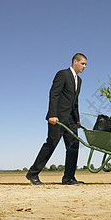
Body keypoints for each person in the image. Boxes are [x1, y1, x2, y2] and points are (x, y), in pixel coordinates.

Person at [26, 53, 87, 185]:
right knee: (51, 144)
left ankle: (68, 178)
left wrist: (77, 119)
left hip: (70, 119)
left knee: (74, 146)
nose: (84, 66)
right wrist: (52, 114)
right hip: (58, 117)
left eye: (85, 64)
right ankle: (33, 173)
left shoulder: (79, 81)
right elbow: (54, 94)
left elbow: (75, 102)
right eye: (82, 63)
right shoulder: (63, 74)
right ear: (75, 61)